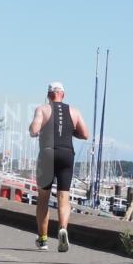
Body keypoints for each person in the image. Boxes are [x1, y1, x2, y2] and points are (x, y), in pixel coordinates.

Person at [29, 82, 89, 252]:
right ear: (63, 95)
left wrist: (33, 129)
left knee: (43, 199)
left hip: (48, 154)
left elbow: (34, 129)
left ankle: (43, 240)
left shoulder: (43, 109)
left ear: (49, 95)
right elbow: (85, 134)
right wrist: (71, 132)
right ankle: (63, 228)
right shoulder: (74, 111)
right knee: (64, 197)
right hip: (66, 154)